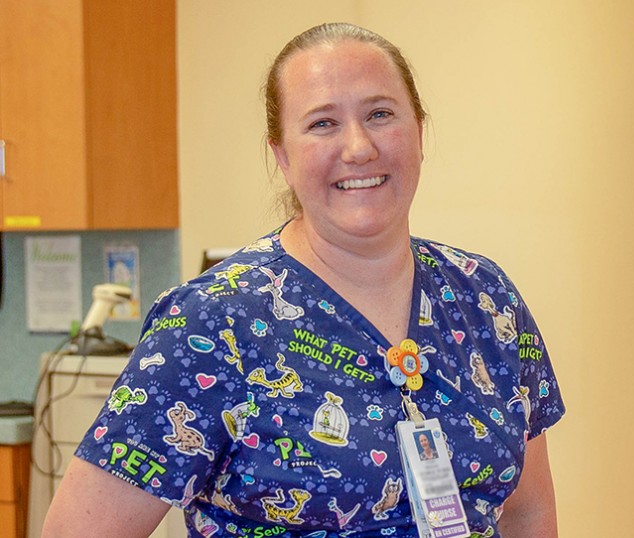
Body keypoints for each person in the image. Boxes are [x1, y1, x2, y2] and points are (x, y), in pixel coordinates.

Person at [42, 22, 565, 538]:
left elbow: (528, 513)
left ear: (420, 132)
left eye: (380, 114)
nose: (358, 147)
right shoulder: (213, 322)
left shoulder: (485, 298)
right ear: (282, 156)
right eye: (322, 123)